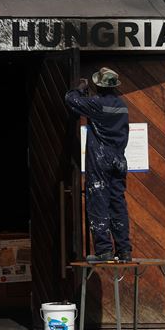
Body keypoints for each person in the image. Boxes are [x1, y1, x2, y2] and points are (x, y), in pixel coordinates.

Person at [65, 67, 132, 263]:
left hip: (100, 159)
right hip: (119, 159)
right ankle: (124, 250)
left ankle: (104, 250)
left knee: (98, 201)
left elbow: (71, 100)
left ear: (99, 86)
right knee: (118, 203)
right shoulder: (122, 105)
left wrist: (79, 88)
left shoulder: (97, 104)